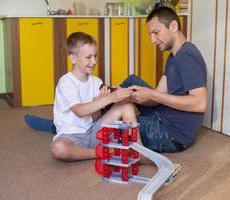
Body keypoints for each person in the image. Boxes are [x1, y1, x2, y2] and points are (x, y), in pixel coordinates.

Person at [25, 6, 207, 153]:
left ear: (173, 26)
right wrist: (127, 94)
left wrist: (118, 98)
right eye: (150, 34)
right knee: (130, 81)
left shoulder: (186, 55)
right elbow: (157, 97)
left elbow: (199, 104)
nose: (152, 40)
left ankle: (58, 127)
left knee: (117, 119)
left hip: (170, 132)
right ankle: (65, 124)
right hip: (164, 116)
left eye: (155, 32)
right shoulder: (174, 57)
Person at [46, 32, 136, 161]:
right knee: (59, 148)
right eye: (88, 57)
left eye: (95, 56)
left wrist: (100, 103)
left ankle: (137, 147)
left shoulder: (96, 82)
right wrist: (110, 98)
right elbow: (80, 111)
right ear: (73, 58)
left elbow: (94, 117)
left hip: (93, 131)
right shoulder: (66, 82)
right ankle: (100, 152)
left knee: (126, 106)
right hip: (72, 136)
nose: (94, 61)